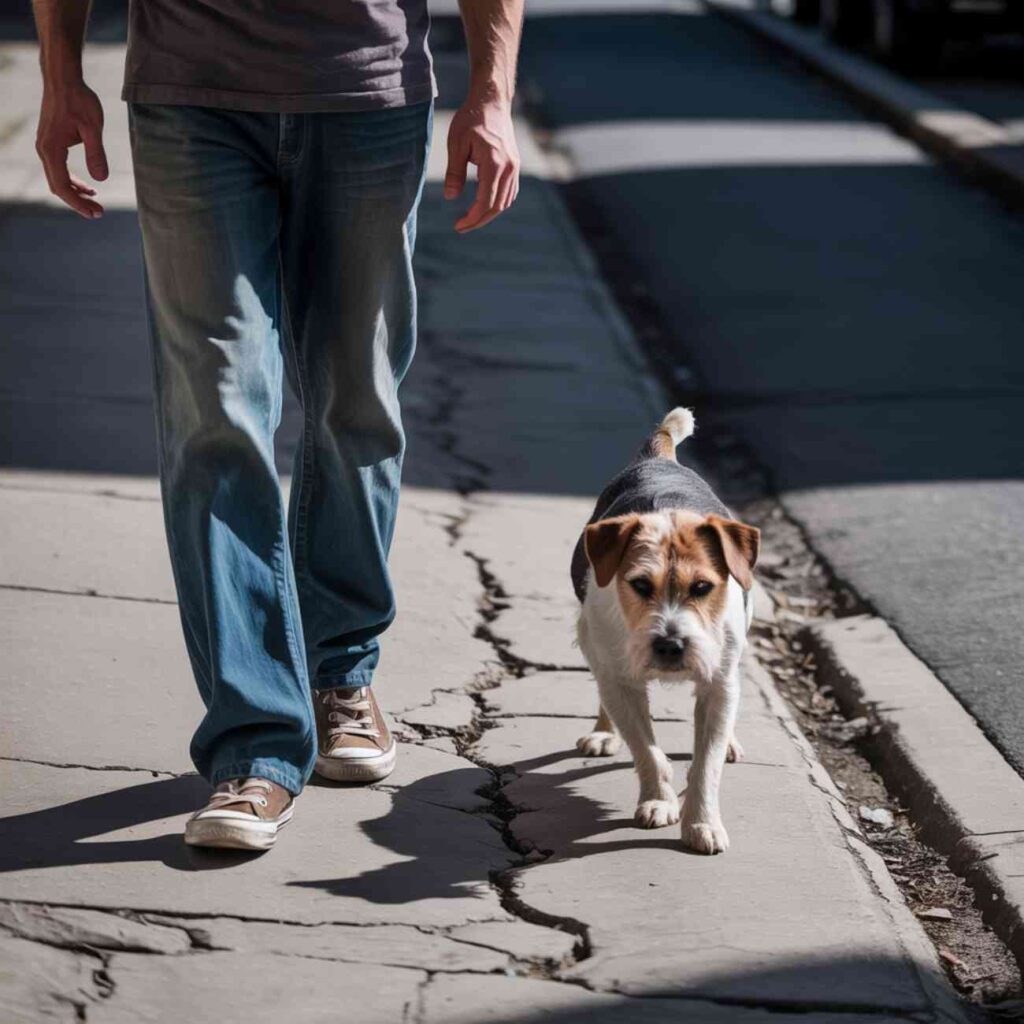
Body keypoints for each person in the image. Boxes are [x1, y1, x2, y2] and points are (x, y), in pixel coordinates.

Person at [32, 0, 523, 852]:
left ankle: (341, 670)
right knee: (213, 413)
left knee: (355, 405)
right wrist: (59, 72)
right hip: (192, 93)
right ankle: (254, 745)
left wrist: (491, 93)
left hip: (368, 93)